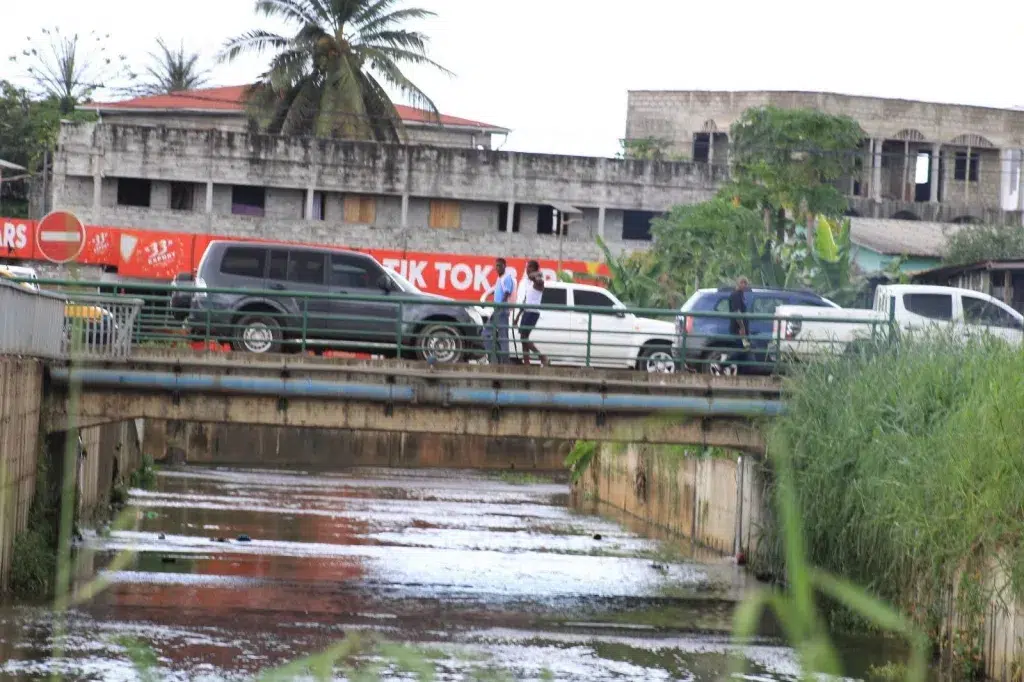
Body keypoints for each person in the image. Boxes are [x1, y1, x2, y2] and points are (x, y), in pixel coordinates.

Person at [513, 260, 549, 366]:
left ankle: (542, 357)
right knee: (523, 339)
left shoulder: (539, 282)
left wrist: (537, 274)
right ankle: (527, 363)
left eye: (529, 267)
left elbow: (535, 277)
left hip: (533, 313)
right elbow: (525, 302)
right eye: (527, 267)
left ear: (534, 269)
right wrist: (517, 317)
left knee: (524, 337)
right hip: (526, 312)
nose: (527, 269)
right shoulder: (529, 283)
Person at [483, 258, 516, 364]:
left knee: (502, 338)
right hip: (498, 310)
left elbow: (506, 294)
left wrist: (498, 307)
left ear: (504, 266)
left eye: (499, 266)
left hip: (501, 310)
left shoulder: (507, 278)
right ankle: (495, 360)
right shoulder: (499, 278)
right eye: (496, 266)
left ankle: (504, 363)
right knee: (487, 334)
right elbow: (496, 291)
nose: (497, 268)